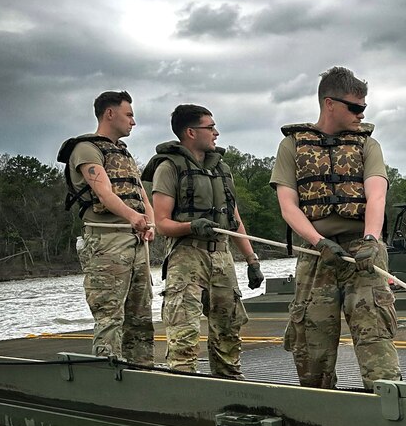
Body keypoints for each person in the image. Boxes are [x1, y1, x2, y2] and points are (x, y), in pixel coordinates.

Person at [270, 67, 401, 390]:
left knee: (375, 337)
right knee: (311, 346)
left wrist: (371, 238)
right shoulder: (292, 146)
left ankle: (388, 406)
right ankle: (320, 412)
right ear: (329, 104)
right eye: (354, 107)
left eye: (363, 108)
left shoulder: (367, 146)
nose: (361, 114)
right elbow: (288, 205)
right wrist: (318, 242)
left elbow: (377, 194)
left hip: (362, 250)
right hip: (317, 254)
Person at [143, 105, 263, 377]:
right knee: (184, 334)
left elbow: (234, 219)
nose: (216, 133)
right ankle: (184, 390)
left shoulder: (222, 169)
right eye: (210, 127)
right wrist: (191, 226)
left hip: (222, 257)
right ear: (190, 132)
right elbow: (161, 223)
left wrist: (251, 259)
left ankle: (230, 384)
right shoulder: (169, 167)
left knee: (228, 330)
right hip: (187, 257)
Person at [57, 91, 156, 364]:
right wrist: (133, 218)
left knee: (140, 316)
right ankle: (108, 375)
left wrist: (150, 222)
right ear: (110, 114)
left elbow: (140, 194)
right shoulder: (86, 149)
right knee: (110, 316)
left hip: (136, 243)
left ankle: (143, 371)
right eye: (129, 115)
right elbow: (104, 193)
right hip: (106, 243)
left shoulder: (123, 153)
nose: (133, 122)